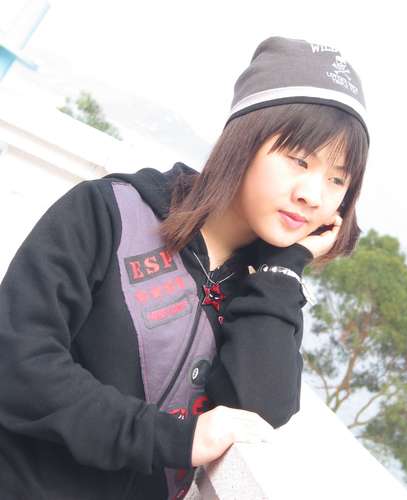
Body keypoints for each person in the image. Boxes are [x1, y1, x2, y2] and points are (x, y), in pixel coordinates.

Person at [0, 35, 369, 499]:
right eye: (299, 160)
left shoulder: (263, 293)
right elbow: (18, 364)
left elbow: (258, 413)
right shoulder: (109, 213)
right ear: (245, 139)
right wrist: (173, 439)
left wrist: (285, 267)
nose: (313, 195)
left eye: (337, 179)